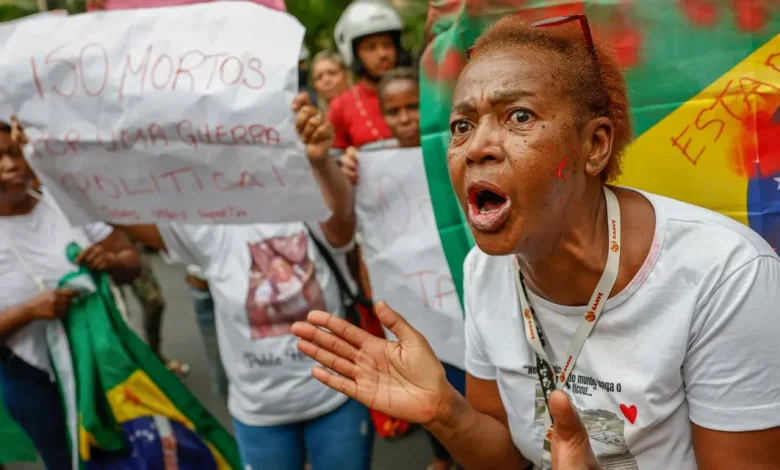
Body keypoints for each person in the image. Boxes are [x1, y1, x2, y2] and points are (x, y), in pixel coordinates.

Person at [292, 14, 780, 470]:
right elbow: (505, 453)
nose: (477, 146)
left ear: (594, 146)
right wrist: (444, 411)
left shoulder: (724, 275)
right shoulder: (484, 272)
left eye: (519, 116)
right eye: (462, 125)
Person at [115, 93, 373, 470]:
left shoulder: (310, 200)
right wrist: (55, 167)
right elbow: (121, 211)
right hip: (260, 417)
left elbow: (342, 217)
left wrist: (320, 159)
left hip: (337, 398)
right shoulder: (212, 225)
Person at [0, 120, 141, 469]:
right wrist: (28, 312)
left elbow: (132, 263)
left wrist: (109, 260)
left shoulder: (62, 204)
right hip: (32, 379)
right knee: (67, 461)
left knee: (127, 453)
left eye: (15, 153)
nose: (11, 165)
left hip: (102, 364)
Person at [330, 0, 411, 152]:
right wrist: (343, 161)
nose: (382, 54)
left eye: (387, 44)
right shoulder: (340, 106)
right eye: (371, 47)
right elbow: (331, 163)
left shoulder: (420, 94)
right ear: (355, 54)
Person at [311, 49, 352, 115]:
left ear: (346, 74)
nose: (326, 80)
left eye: (332, 73)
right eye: (319, 77)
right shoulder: (316, 121)